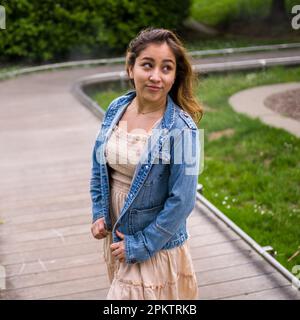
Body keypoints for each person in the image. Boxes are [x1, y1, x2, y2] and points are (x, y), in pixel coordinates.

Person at [90, 27, 203, 300]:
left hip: (154, 243)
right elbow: (99, 165)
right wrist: (98, 212)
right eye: (147, 65)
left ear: (175, 76)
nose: (156, 76)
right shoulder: (117, 107)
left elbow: (183, 200)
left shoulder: (182, 129)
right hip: (117, 234)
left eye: (166, 68)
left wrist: (143, 243)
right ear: (131, 68)